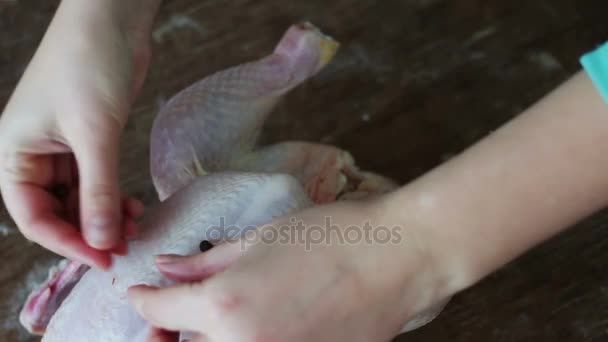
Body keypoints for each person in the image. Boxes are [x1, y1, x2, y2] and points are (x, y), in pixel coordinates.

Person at [1, 1, 607, 341]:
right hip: (310, 244)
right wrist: (99, 18)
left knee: (177, 149)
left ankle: (289, 65)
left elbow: (45, 305)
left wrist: (409, 254)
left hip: (292, 223)